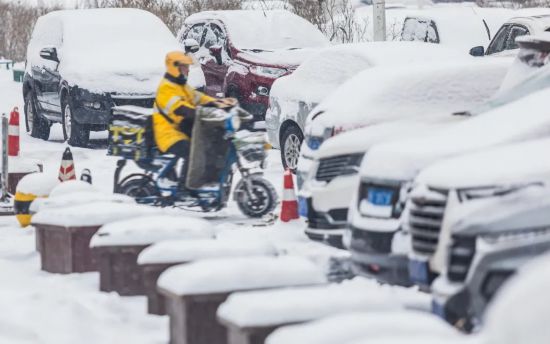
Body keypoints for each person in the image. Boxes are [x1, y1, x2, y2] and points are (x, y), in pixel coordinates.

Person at [152, 51, 234, 188]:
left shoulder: (181, 85)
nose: (188, 69)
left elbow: (198, 98)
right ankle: (185, 188)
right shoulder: (166, 87)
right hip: (167, 134)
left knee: (209, 142)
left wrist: (219, 103)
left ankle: (207, 180)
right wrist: (200, 113)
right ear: (175, 67)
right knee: (191, 151)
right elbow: (180, 108)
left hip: (180, 129)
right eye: (185, 66)